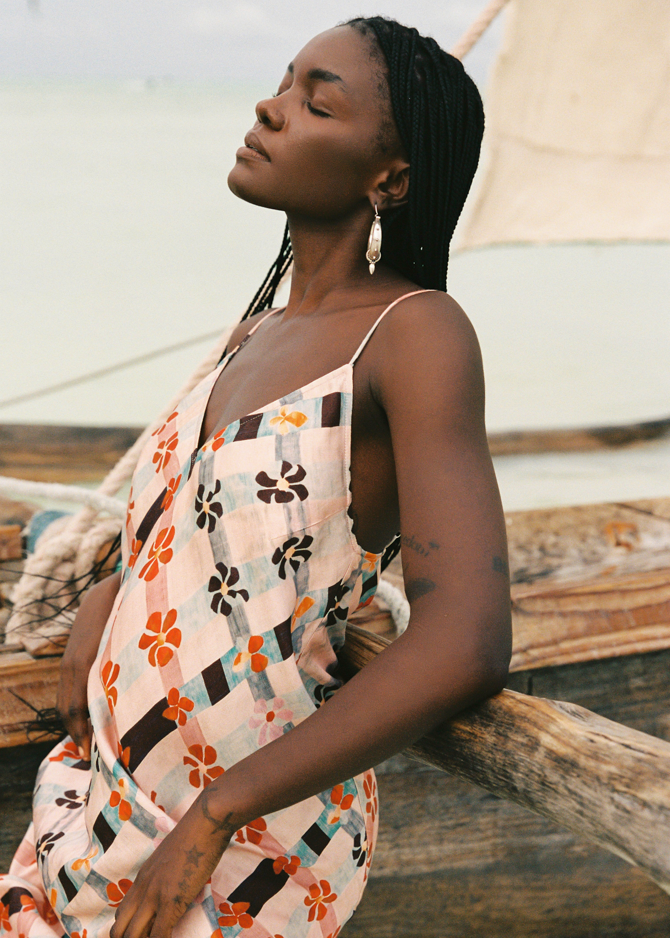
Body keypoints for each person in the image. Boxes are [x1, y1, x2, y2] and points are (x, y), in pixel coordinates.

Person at [0, 16, 512, 938]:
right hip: (101, 804)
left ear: (389, 178)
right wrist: (111, 588)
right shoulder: (252, 335)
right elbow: (211, 538)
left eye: (314, 101)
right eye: (282, 84)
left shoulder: (415, 333)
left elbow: (467, 641)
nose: (269, 110)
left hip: (245, 848)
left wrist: (216, 812)